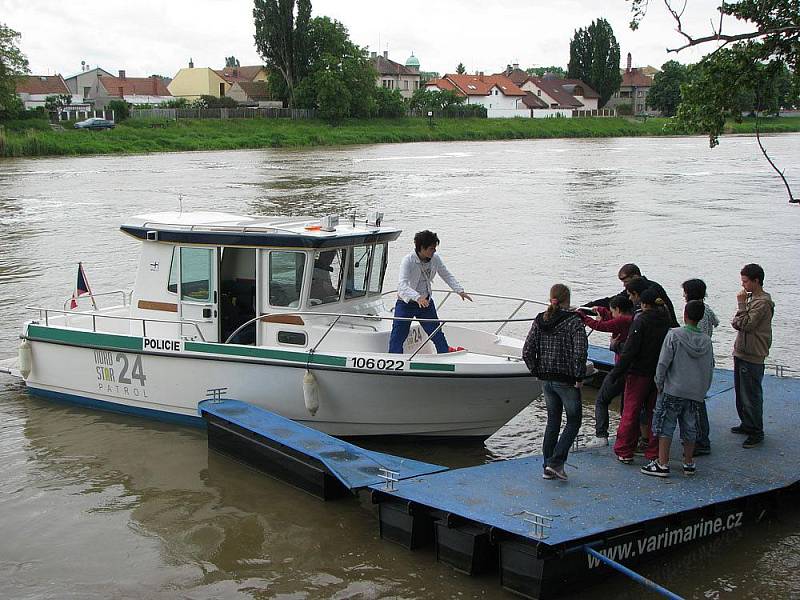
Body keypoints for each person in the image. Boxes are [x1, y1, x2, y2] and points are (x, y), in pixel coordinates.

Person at [641, 300, 715, 478]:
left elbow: (663, 362)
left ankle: (662, 463)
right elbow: (710, 367)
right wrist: (703, 389)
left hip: (673, 389)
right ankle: (688, 462)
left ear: (685, 314)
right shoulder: (706, 341)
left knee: (665, 425)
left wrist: (659, 383)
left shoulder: (674, 335)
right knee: (690, 427)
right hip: (695, 391)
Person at [523, 284, 588, 481]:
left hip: (545, 378)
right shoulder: (574, 321)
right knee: (574, 421)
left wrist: (536, 370)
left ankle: (547, 466)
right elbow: (580, 352)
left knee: (552, 422)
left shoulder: (540, 319)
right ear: (567, 300)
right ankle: (556, 463)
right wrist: (579, 376)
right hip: (566, 380)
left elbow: (527, 350)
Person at [608, 288, 671, 465]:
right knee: (655, 412)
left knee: (631, 411)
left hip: (638, 372)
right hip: (658, 372)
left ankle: (624, 449)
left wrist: (617, 371)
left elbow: (631, 349)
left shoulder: (641, 320)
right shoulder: (665, 319)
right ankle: (653, 450)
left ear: (643, 304)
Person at [389, 230, 472, 354]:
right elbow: (402, 285)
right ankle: (394, 359)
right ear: (422, 248)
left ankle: (444, 356)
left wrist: (459, 290)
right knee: (399, 335)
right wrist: (417, 297)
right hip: (406, 303)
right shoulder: (408, 260)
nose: (434, 251)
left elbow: (446, 274)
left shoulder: (435, 259)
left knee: (437, 333)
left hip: (426, 303)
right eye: (432, 248)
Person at [577, 296, 634, 447]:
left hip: (621, 369)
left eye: (612, 311)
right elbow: (610, 321)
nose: (611, 314)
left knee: (601, 400)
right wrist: (601, 310)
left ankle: (601, 435)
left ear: (618, 310)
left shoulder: (623, 321)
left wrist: (582, 316)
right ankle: (628, 435)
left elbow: (601, 326)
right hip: (631, 368)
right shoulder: (632, 318)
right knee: (626, 403)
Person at [731, 263, 774, 448]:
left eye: (746, 281)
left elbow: (747, 324)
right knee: (741, 393)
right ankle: (747, 423)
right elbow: (737, 322)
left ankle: (756, 430)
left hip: (753, 354)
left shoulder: (762, 302)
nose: (743, 285)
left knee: (751, 395)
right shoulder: (750, 299)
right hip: (742, 351)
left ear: (756, 281)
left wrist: (741, 305)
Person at [682, 278, 719, 456]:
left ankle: (702, 440)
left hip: (697, 362)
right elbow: (717, 322)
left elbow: (694, 337)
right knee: (698, 400)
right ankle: (700, 438)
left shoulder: (696, 313)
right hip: (707, 360)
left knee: (696, 402)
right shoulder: (707, 309)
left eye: (685, 292)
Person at [587, 263, 679, 327]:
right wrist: (585, 308)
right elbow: (612, 301)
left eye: (626, 282)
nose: (624, 285)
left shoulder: (653, 290)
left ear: (635, 277)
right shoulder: (633, 291)